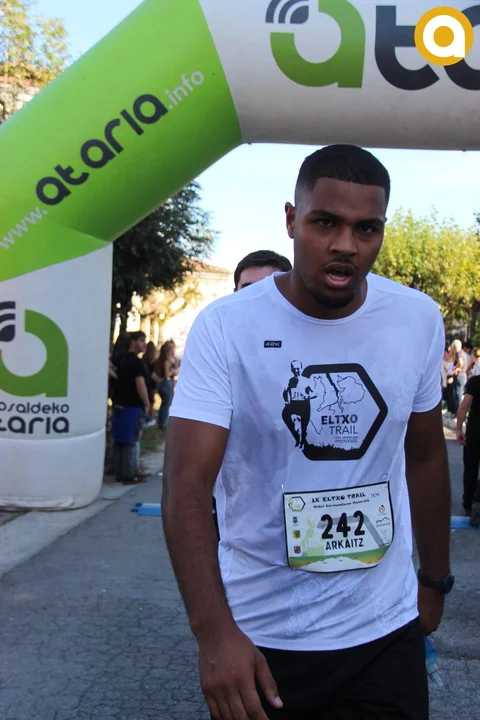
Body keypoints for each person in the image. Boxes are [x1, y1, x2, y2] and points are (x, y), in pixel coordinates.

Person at [162, 145, 453, 720]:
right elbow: (185, 484)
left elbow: (425, 457)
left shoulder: (416, 318)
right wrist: (214, 634)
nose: (346, 244)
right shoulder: (227, 327)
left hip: (383, 630)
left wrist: (435, 580)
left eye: (366, 228)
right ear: (292, 220)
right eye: (326, 223)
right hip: (263, 635)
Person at [111, 331, 150, 485]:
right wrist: (147, 403)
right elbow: (140, 384)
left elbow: (112, 371)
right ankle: (128, 474)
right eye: (141, 340)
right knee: (130, 441)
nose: (144, 344)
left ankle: (119, 472)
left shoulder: (119, 359)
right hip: (133, 405)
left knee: (119, 440)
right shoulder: (135, 362)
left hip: (119, 404)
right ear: (133, 342)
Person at [456, 373, 480, 526]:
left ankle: (469, 504)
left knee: (471, 467)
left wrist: (459, 429)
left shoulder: (475, 381)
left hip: (475, 432)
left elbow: (464, 405)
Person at [154, 341, 177, 429]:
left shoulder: (173, 359)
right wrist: (173, 372)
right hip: (165, 383)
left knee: (168, 402)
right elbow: (166, 374)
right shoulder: (166, 360)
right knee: (166, 403)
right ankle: (162, 422)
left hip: (170, 383)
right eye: (170, 347)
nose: (172, 349)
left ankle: (163, 421)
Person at [143, 340, 160, 421]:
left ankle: (147, 415)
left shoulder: (144, 359)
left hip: (146, 382)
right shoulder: (154, 361)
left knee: (148, 399)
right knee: (152, 400)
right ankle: (151, 417)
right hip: (152, 383)